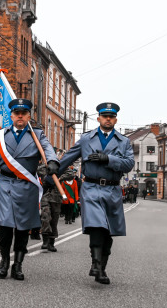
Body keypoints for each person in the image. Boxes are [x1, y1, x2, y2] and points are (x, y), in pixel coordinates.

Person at [0, 98, 59, 281]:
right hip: (6, 183)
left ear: (29, 116)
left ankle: (18, 265)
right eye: (17, 113)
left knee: (23, 228)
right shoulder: (0, 135)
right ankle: (4, 261)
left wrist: (53, 162)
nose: (20, 116)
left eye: (24, 113)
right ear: (12, 115)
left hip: (27, 185)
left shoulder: (37, 135)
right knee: (6, 226)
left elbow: (48, 150)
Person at [57, 102, 134, 285]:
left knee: (109, 231)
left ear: (115, 119)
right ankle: (98, 267)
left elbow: (129, 164)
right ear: (98, 118)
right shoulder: (86, 139)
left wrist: (108, 158)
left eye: (111, 116)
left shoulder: (124, 142)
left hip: (113, 188)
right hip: (91, 187)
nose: (108, 119)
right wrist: (52, 171)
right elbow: (69, 157)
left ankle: (99, 265)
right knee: (97, 225)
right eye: (104, 116)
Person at [38, 163, 62, 252]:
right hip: (45, 196)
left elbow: (70, 173)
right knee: (45, 217)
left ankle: (51, 243)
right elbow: (36, 172)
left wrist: (58, 178)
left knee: (54, 221)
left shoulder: (60, 167)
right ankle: (45, 240)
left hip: (56, 198)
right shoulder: (42, 168)